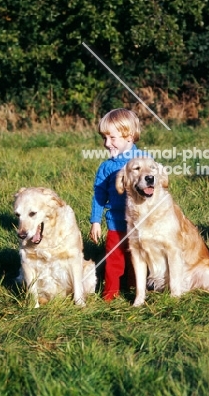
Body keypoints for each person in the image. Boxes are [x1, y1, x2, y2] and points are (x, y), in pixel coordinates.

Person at [89, 108, 144, 301]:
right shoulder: (105, 167)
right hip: (116, 223)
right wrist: (95, 221)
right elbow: (99, 195)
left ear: (129, 136)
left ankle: (137, 290)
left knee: (139, 258)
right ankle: (110, 295)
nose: (107, 143)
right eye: (104, 138)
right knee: (114, 260)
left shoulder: (143, 161)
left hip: (140, 222)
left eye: (112, 138)